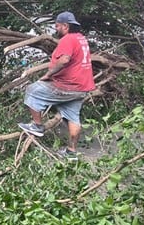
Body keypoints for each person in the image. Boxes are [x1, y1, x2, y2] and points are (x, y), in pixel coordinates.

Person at [18, 11, 95, 160]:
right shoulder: (81, 38)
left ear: (65, 26)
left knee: (32, 90)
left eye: (57, 25)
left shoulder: (68, 39)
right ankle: (72, 152)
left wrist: (48, 75)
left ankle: (37, 126)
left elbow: (65, 59)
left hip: (67, 85)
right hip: (81, 87)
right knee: (73, 117)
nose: (55, 28)